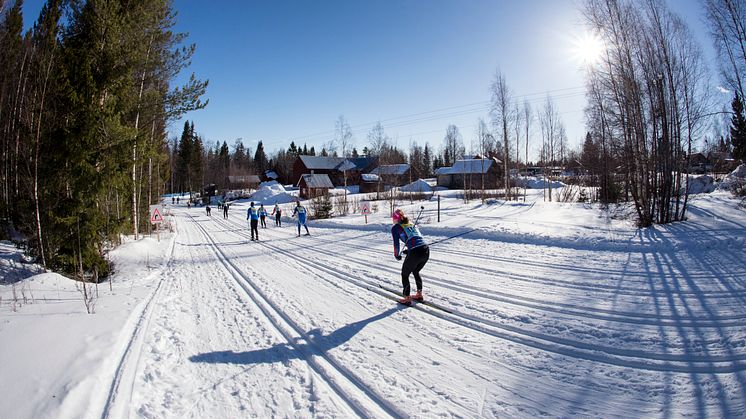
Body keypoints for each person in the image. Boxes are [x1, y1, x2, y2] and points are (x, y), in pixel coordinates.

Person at [391, 208, 429, 306]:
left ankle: (407, 298)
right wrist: (409, 250)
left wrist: (397, 254)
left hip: (415, 251)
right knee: (415, 271)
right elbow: (416, 239)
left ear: (395, 219)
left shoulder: (396, 227)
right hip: (425, 250)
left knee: (405, 274)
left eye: (393, 218)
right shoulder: (411, 224)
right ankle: (419, 294)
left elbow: (396, 244)